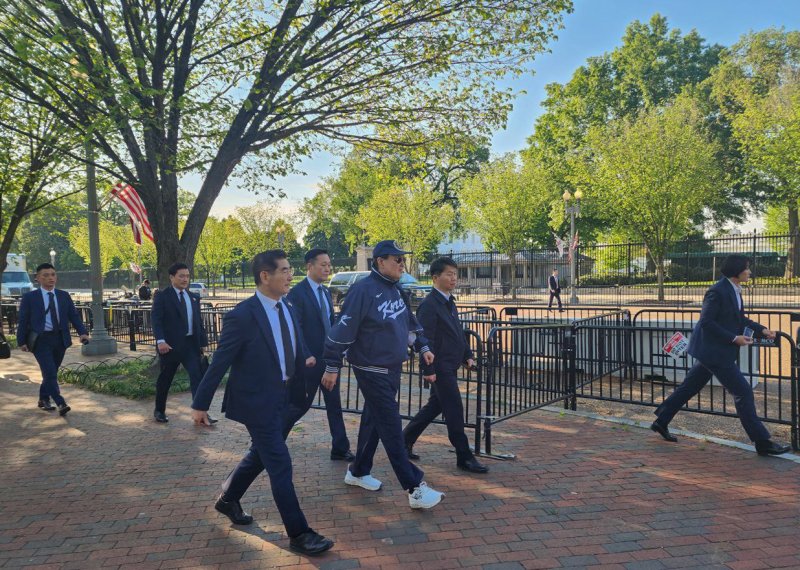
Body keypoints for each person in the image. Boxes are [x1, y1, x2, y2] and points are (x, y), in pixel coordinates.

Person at [191, 250, 334, 556]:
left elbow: (295, 339)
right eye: (283, 270)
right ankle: (299, 534)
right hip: (257, 403)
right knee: (279, 462)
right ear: (265, 276)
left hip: (286, 397)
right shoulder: (242, 316)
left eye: (290, 269)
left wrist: (305, 356)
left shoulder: (288, 307)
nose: (289, 275)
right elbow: (220, 363)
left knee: (261, 454)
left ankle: (228, 498)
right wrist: (200, 403)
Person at [322, 240, 445, 510]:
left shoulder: (396, 290)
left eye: (402, 259)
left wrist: (422, 346)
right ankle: (414, 488)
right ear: (380, 262)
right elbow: (342, 330)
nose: (402, 264)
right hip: (370, 369)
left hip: (391, 368)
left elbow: (410, 324)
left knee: (374, 421)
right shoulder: (362, 291)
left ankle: (357, 471)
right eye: (396, 259)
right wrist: (332, 365)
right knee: (390, 426)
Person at [650, 255, 790, 456]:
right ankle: (762, 442)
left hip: (711, 351)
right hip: (715, 353)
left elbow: (739, 318)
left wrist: (762, 329)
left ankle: (661, 421)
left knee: (689, 387)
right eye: (747, 268)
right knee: (743, 392)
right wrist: (734, 338)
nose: (750, 272)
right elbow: (706, 322)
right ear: (737, 271)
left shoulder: (733, 289)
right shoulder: (717, 291)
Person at [403, 257, 489, 474]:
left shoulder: (449, 301)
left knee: (436, 406)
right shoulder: (429, 306)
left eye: (455, 274)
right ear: (435, 277)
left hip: (451, 364)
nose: (453, 278)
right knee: (454, 410)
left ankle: (404, 440)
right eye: (449, 274)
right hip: (440, 368)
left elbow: (457, 332)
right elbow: (425, 341)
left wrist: (467, 354)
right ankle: (464, 456)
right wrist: (429, 370)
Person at [282, 249, 353, 461]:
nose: (327, 268)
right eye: (323, 264)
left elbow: (331, 325)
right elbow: (297, 329)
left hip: (329, 360)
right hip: (310, 363)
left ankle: (340, 448)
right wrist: (305, 355)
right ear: (309, 266)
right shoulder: (298, 293)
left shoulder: (324, 292)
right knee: (299, 406)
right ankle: (270, 440)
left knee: (334, 405)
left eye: (329, 264)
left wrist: (339, 348)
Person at [16, 263, 89, 415]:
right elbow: (23, 320)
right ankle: (60, 402)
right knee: (49, 372)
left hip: (60, 339)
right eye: (46, 275)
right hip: (41, 341)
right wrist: (21, 341)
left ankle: (43, 399)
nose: (50, 278)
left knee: (51, 373)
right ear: (38, 278)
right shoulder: (30, 297)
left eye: (53, 274)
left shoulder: (63, 295)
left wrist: (82, 332)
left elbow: (73, 316)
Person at [151, 263, 209, 424]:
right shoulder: (162, 296)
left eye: (187, 276)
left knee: (198, 378)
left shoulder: (193, 297)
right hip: (170, 347)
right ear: (172, 277)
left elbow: (198, 322)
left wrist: (203, 343)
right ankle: (159, 410)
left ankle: (201, 412)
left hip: (191, 346)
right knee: (166, 379)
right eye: (181, 276)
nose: (185, 279)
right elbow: (156, 321)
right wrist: (160, 341)